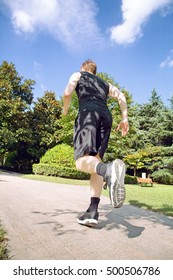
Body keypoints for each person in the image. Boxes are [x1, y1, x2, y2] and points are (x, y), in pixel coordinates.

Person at [63, 59, 129, 226]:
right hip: (106, 117)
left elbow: (67, 92)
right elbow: (121, 96)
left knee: (81, 161)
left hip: (88, 114)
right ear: (95, 71)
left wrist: (65, 110)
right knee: (95, 163)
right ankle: (93, 211)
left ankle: (109, 171)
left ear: (83, 68)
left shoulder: (78, 74)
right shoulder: (105, 84)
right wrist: (125, 119)